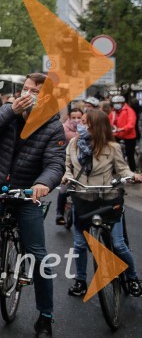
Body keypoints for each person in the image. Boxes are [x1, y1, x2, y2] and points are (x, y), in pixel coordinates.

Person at [0, 73, 65, 338]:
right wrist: (9, 111)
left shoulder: (53, 126)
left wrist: (44, 183)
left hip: (26, 193)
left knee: (38, 255)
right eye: (25, 88)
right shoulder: (9, 111)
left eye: (34, 91)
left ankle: (45, 316)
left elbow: (55, 164)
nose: (27, 93)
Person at [63, 109, 142, 297]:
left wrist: (133, 176)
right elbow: (67, 166)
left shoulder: (112, 147)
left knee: (119, 244)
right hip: (82, 198)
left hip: (108, 198)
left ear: (97, 127)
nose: (80, 126)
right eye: (80, 121)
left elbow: (123, 170)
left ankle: (133, 278)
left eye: (85, 122)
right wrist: (66, 177)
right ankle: (80, 281)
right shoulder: (73, 144)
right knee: (80, 244)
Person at [109, 95, 138, 172]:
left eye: (118, 103)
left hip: (129, 135)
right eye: (114, 103)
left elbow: (131, 124)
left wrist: (122, 129)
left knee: (130, 155)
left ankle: (133, 171)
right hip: (116, 134)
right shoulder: (113, 111)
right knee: (114, 153)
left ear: (122, 103)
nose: (116, 104)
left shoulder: (129, 110)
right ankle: (115, 170)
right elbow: (109, 121)